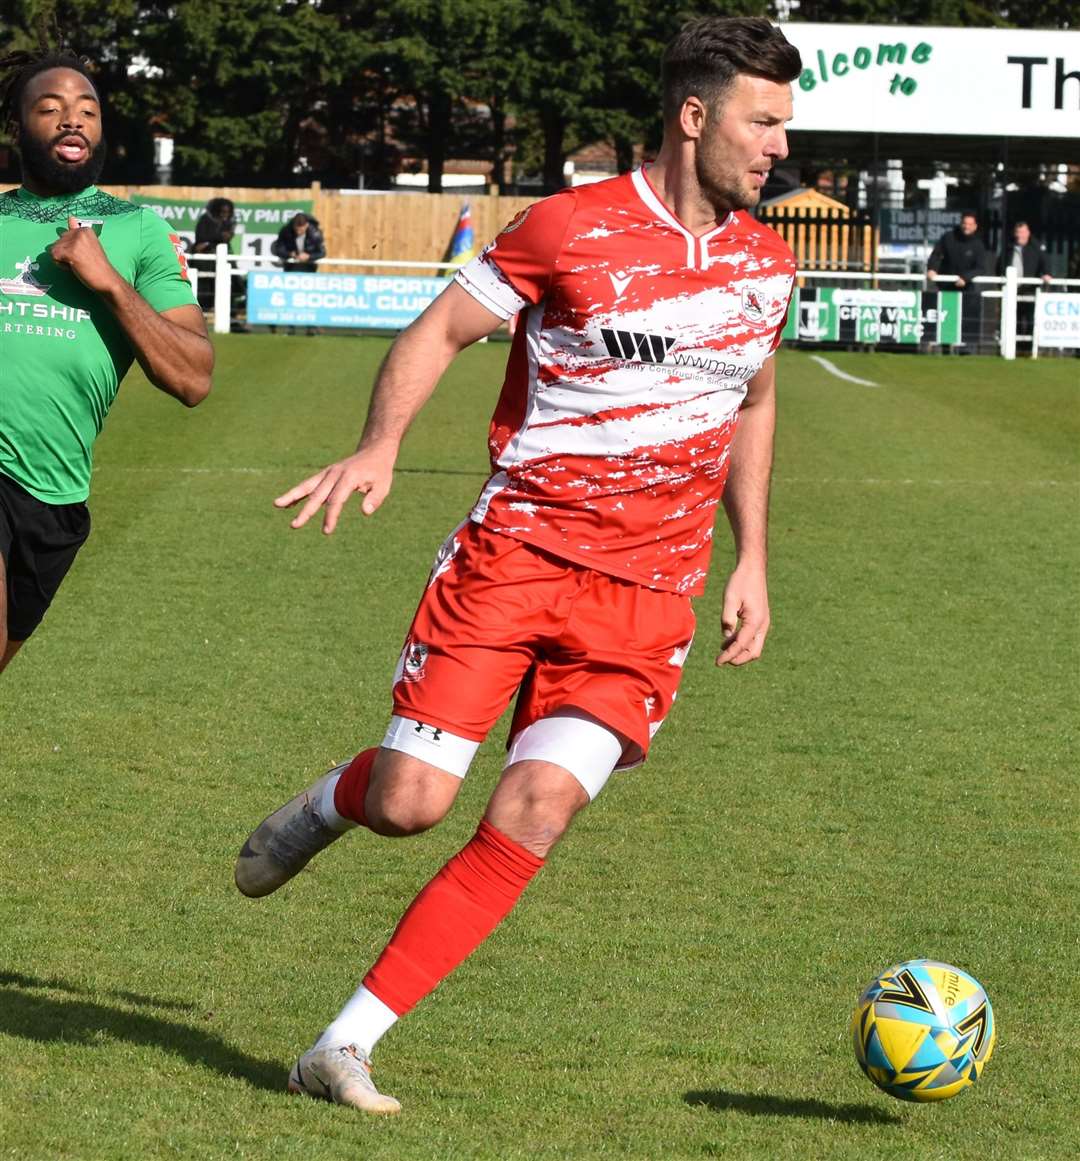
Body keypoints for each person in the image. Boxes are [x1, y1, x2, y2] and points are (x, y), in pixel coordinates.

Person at [235, 15, 801, 1114]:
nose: (780, 145)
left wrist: (754, 557)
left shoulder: (764, 264)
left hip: (648, 596)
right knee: (411, 804)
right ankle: (326, 806)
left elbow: (755, 399)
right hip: (515, 559)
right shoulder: (567, 228)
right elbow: (442, 329)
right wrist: (380, 443)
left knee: (536, 807)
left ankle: (340, 1046)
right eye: (763, 120)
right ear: (695, 118)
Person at [0, 49, 213, 674]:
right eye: (51, 109)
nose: (73, 120)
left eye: (87, 111)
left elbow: (193, 378)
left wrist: (112, 284)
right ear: (17, 128)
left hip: (52, 491)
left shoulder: (137, 229)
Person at [926, 211, 988, 350]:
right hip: (946, 286)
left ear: (975, 226)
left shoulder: (978, 245)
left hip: (966, 289)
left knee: (965, 319)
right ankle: (944, 347)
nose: (967, 226)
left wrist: (966, 278)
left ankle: (964, 351)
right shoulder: (948, 238)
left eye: (970, 224)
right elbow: (936, 254)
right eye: (965, 223)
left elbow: (981, 268)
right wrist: (932, 269)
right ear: (961, 224)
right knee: (945, 317)